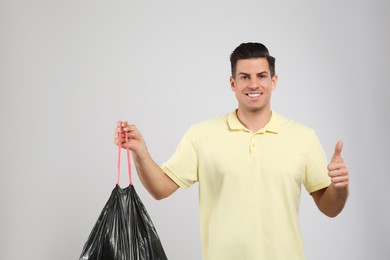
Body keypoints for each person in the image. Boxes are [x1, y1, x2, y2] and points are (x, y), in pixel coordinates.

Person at [114, 42, 349, 260]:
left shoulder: (303, 137)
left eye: (262, 76)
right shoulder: (201, 135)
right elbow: (160, 189)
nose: (254, 84)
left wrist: (340, 187)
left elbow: (330, 208)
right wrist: (140, 152)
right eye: (245, 77)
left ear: (274, 81)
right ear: (233, 83)